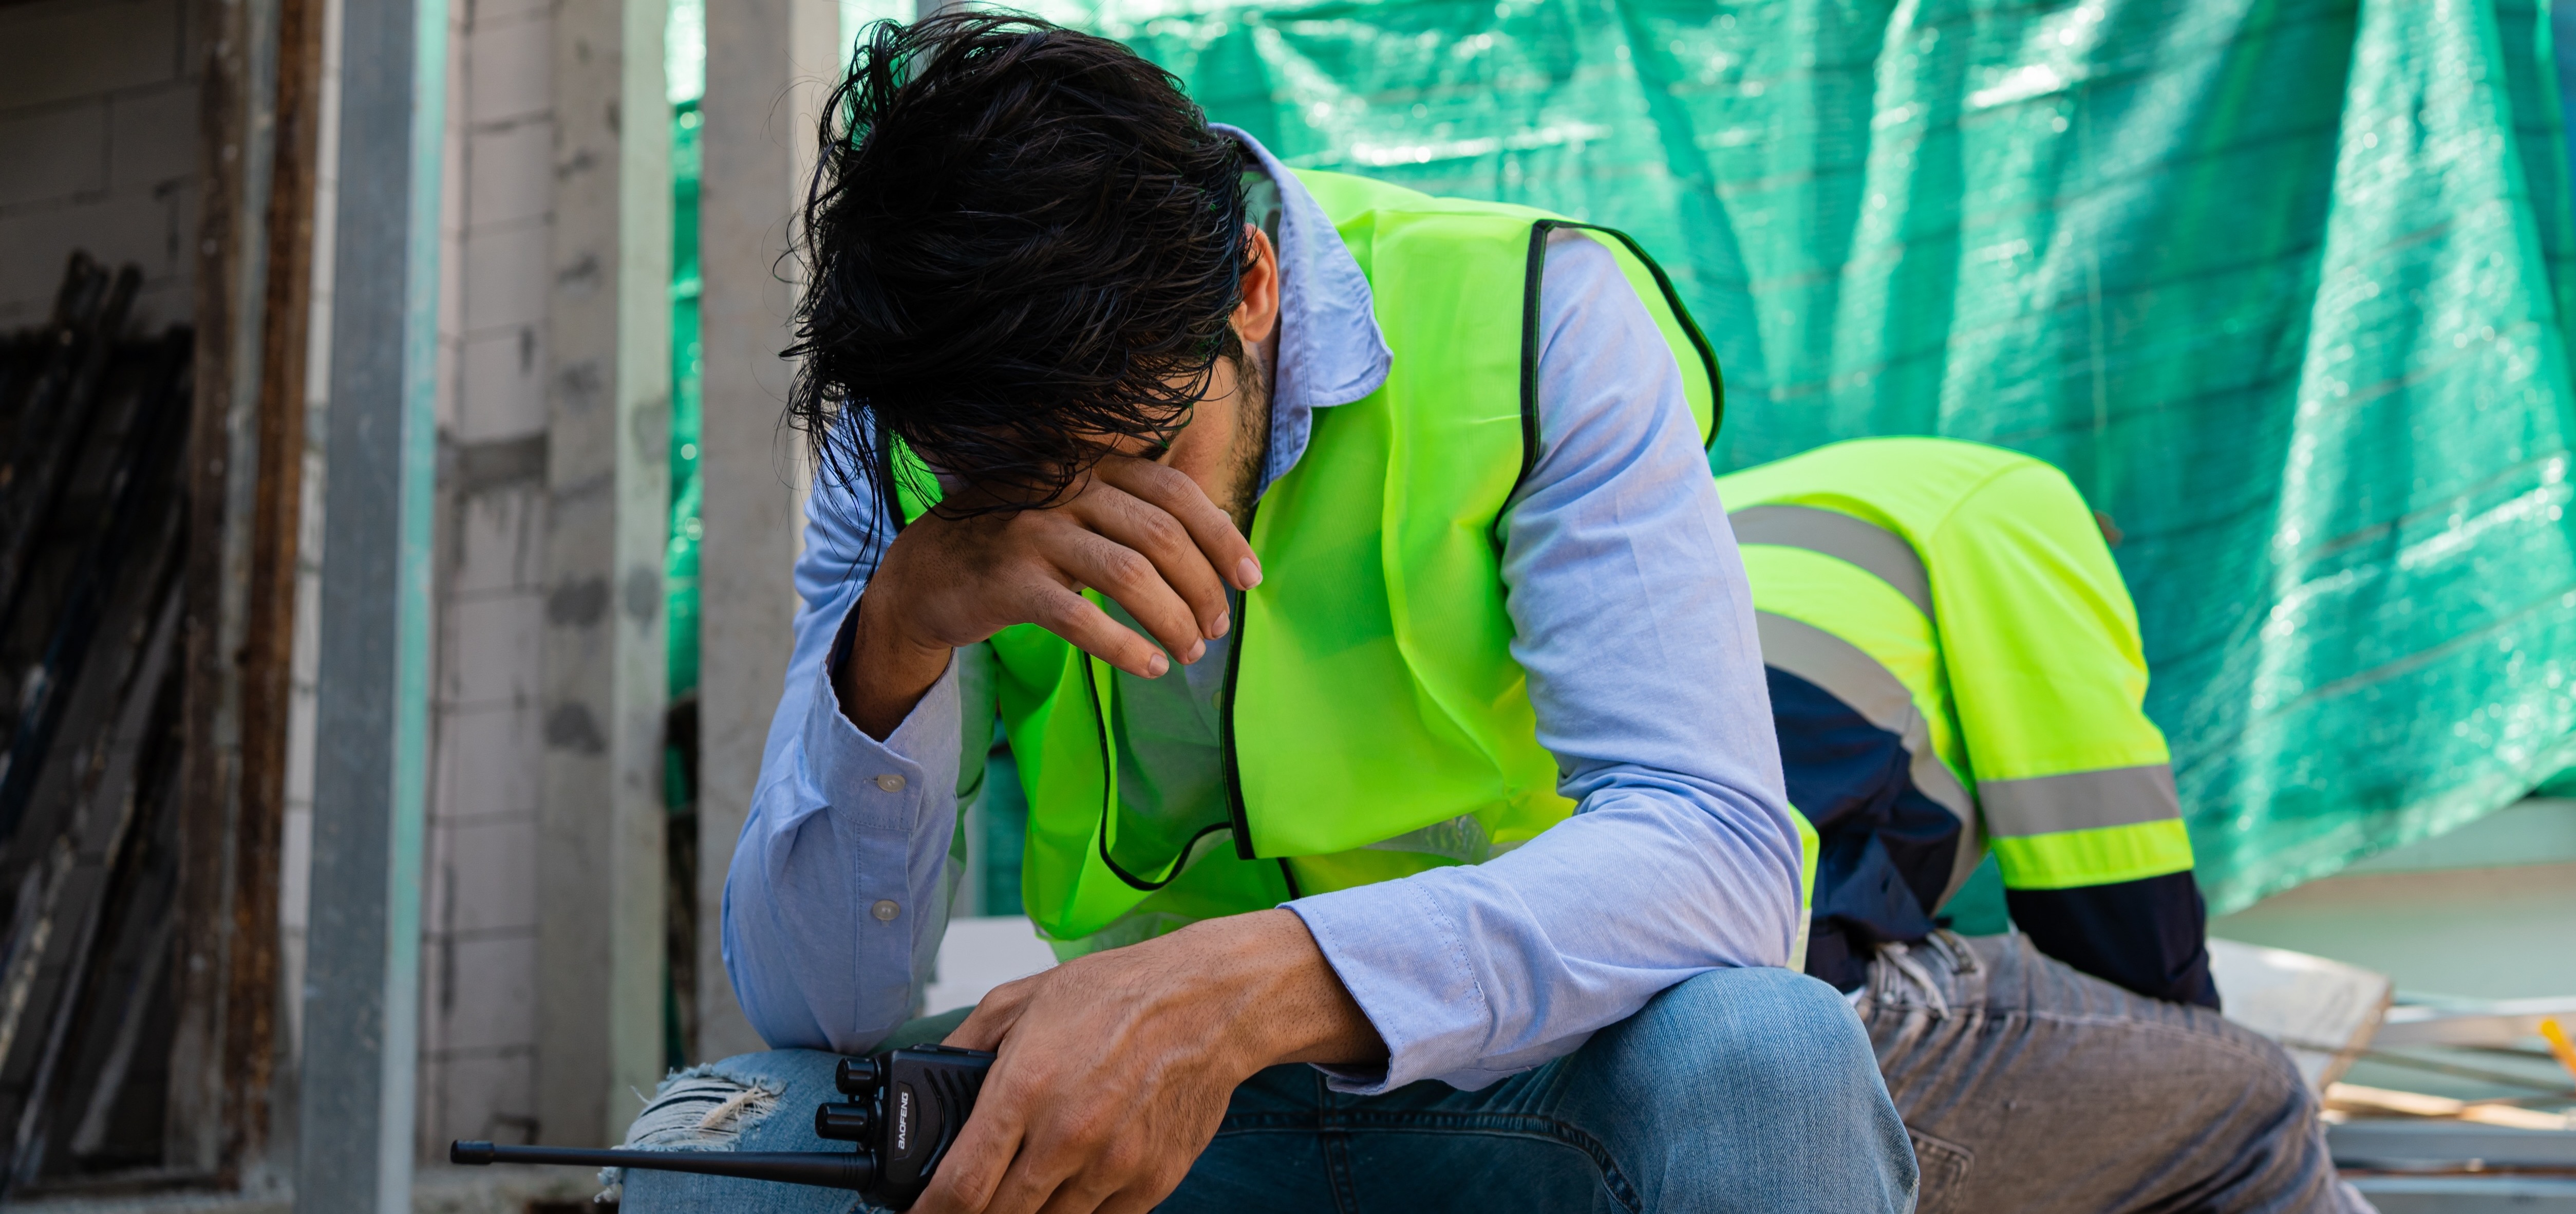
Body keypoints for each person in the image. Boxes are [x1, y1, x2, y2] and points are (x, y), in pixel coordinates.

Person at [618, 13, 1914, 1213]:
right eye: (1021, 494)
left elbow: (1721, 861)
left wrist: (1251, 986)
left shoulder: (1536, 319)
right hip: (1148, 1138)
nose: (1100, 540)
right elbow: (818, 1006)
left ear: (1252, 287)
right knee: (714, 1150)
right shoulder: (905, 452)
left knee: (1766, 1055)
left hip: (1522, 1081)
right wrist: (897, 633)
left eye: (1141, 457)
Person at [1722, 436, 2373, 1214]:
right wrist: (2177, 1062)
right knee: (2246, 1106)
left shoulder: (1717, 501)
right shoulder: (2019, 507)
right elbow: (2113, 912)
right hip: (1775, 1029)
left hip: (1560, 1018)